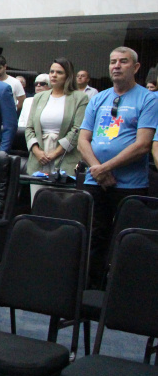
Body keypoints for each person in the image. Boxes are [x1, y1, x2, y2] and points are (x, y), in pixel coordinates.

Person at [79, 47, 157, 286]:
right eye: (113, 61)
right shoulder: (99, 98)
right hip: (95, 181)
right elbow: (83, 140)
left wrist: (104, 168)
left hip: (129, 185)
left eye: (123, 62)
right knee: (94, 237)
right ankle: (91, 288)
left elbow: (143, 145)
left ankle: (120, 290)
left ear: (136, 67)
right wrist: (97, 170)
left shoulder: (148, 99)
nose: (116, 66)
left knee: (126, 239)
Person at [25, 58, 89, 203]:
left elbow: (77, 129)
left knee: (62, 204)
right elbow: (29, 128)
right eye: (52, 71)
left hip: (65, 155)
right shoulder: (39, 97)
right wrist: (37, 151)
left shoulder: (80, 97)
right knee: (38, 202)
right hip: (39, 157)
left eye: (59, 72)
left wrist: (55, 153)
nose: (54, 75)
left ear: (68, 76)